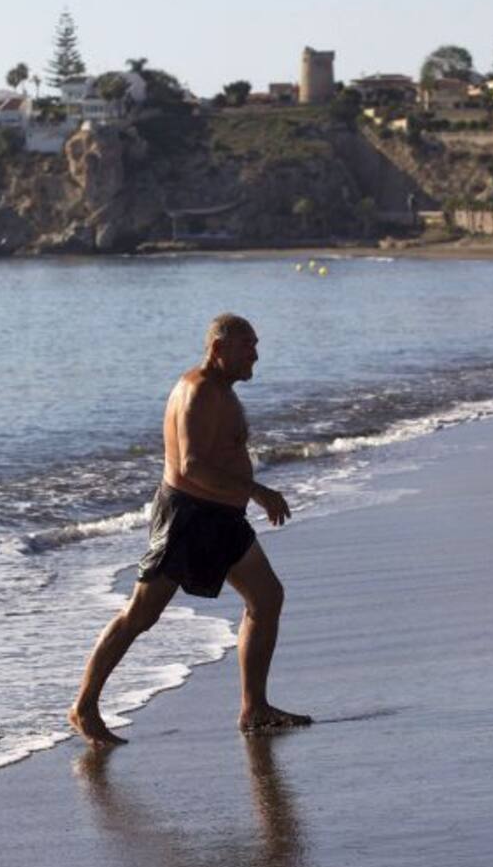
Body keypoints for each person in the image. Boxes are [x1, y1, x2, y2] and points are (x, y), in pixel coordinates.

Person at [69, 314, 312, 747]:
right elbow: (191, 466)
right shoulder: (198, 391)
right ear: (218, 349)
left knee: (266, 598)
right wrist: (257, 491)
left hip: (222, 519)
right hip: (189, 518)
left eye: (256, 345)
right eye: (247, 346)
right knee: (141, 614)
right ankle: (84, 707)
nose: (255, 355)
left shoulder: (222, 390)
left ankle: (254, 708)